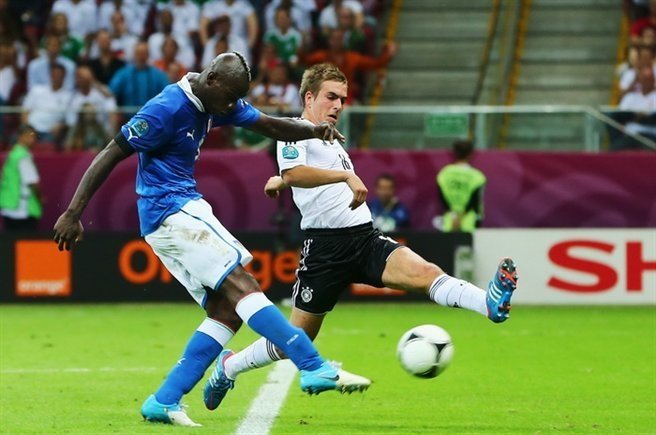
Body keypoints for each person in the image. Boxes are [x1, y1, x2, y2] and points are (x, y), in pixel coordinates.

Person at [52, 52, 371, 427]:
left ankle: (164, 399)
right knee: (243, 285)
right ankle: (312, 364)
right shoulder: (166, 109)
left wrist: (313, 131)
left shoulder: (219, 99)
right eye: (230, 98)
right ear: (212, 79)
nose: (231, 107)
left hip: (173, 215)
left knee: (226, 311)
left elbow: (269, 125)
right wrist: (73, 212)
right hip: (170, 211)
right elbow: (111, 152)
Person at [201, 63, 518, 412]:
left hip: (365, 238)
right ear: (309, 97)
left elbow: (294, 175)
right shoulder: (293, 131)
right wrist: (335, 177)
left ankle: (488, 304)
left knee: (427, 273)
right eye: (331, 97)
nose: (338, 105)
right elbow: (296, 171)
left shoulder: (330, 136)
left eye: (342, 99)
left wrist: (284, 180)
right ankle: (229, 366)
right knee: (297, 338)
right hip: (325, 249)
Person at [435, 140, 486, 233]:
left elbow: (442, 198)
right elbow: (475, 201)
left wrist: (454, 216)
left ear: (455, 153)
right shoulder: (477, 176)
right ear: (470, 154)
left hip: (450, 220)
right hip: (468, 221)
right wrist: (461, 217)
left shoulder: (444, 173)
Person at [0, 124, 43, 230]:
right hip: (22, 208)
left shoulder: (13, 154)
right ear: (20, 136)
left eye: (34, 136)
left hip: (9, 205)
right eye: (29, 136)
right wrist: (40, 198)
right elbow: (32, 182)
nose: (32, 139)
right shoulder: (23, 157)